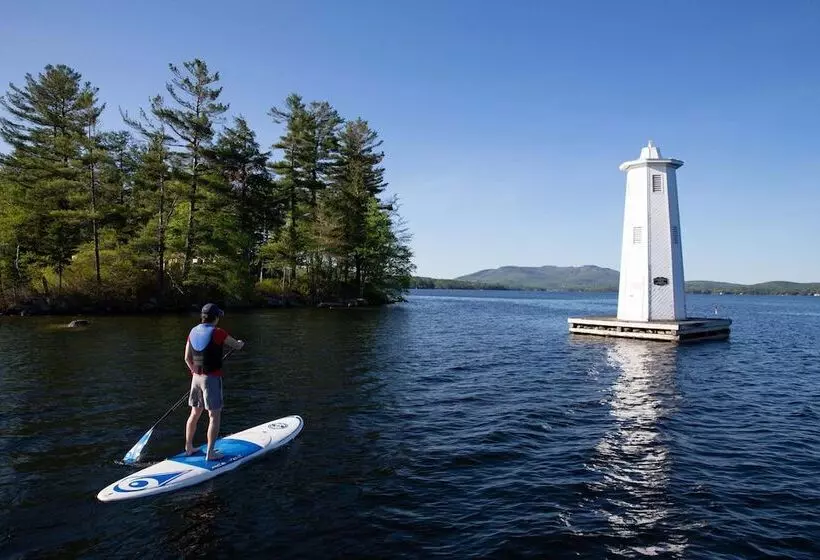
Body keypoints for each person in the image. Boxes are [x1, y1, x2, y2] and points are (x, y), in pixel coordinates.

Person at [184, 303, 244, 460]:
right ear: (215, 318)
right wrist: (240, 343)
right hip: (211, 379)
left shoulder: (192, 331)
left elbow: (186, 358)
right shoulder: (218, 332)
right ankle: (210, 453)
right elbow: (236, 345)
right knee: (214, 416)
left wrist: (194, 373)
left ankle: (189, 447)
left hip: (195, 378)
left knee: (194, 414)